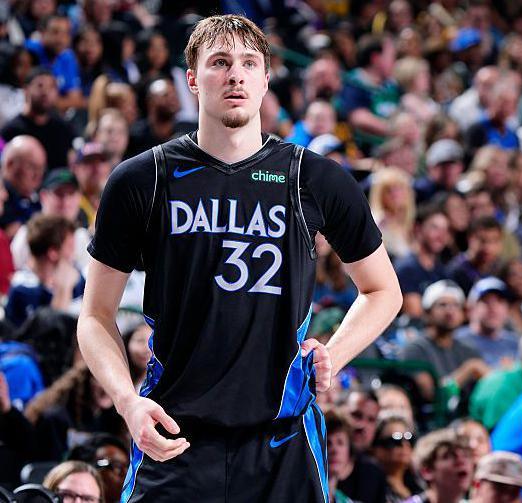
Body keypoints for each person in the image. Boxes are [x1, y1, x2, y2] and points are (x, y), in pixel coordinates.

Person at [77, 15, 401, 502]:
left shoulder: (311, 178)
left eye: (250, 63)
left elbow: (383, 290)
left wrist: (334, 351)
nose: (236, 75)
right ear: (192, 77)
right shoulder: (143, 179)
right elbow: (95, 315)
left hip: (282, 438)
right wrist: (127, 401)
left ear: (266, 78)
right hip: (173, 432)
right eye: (220, 63)